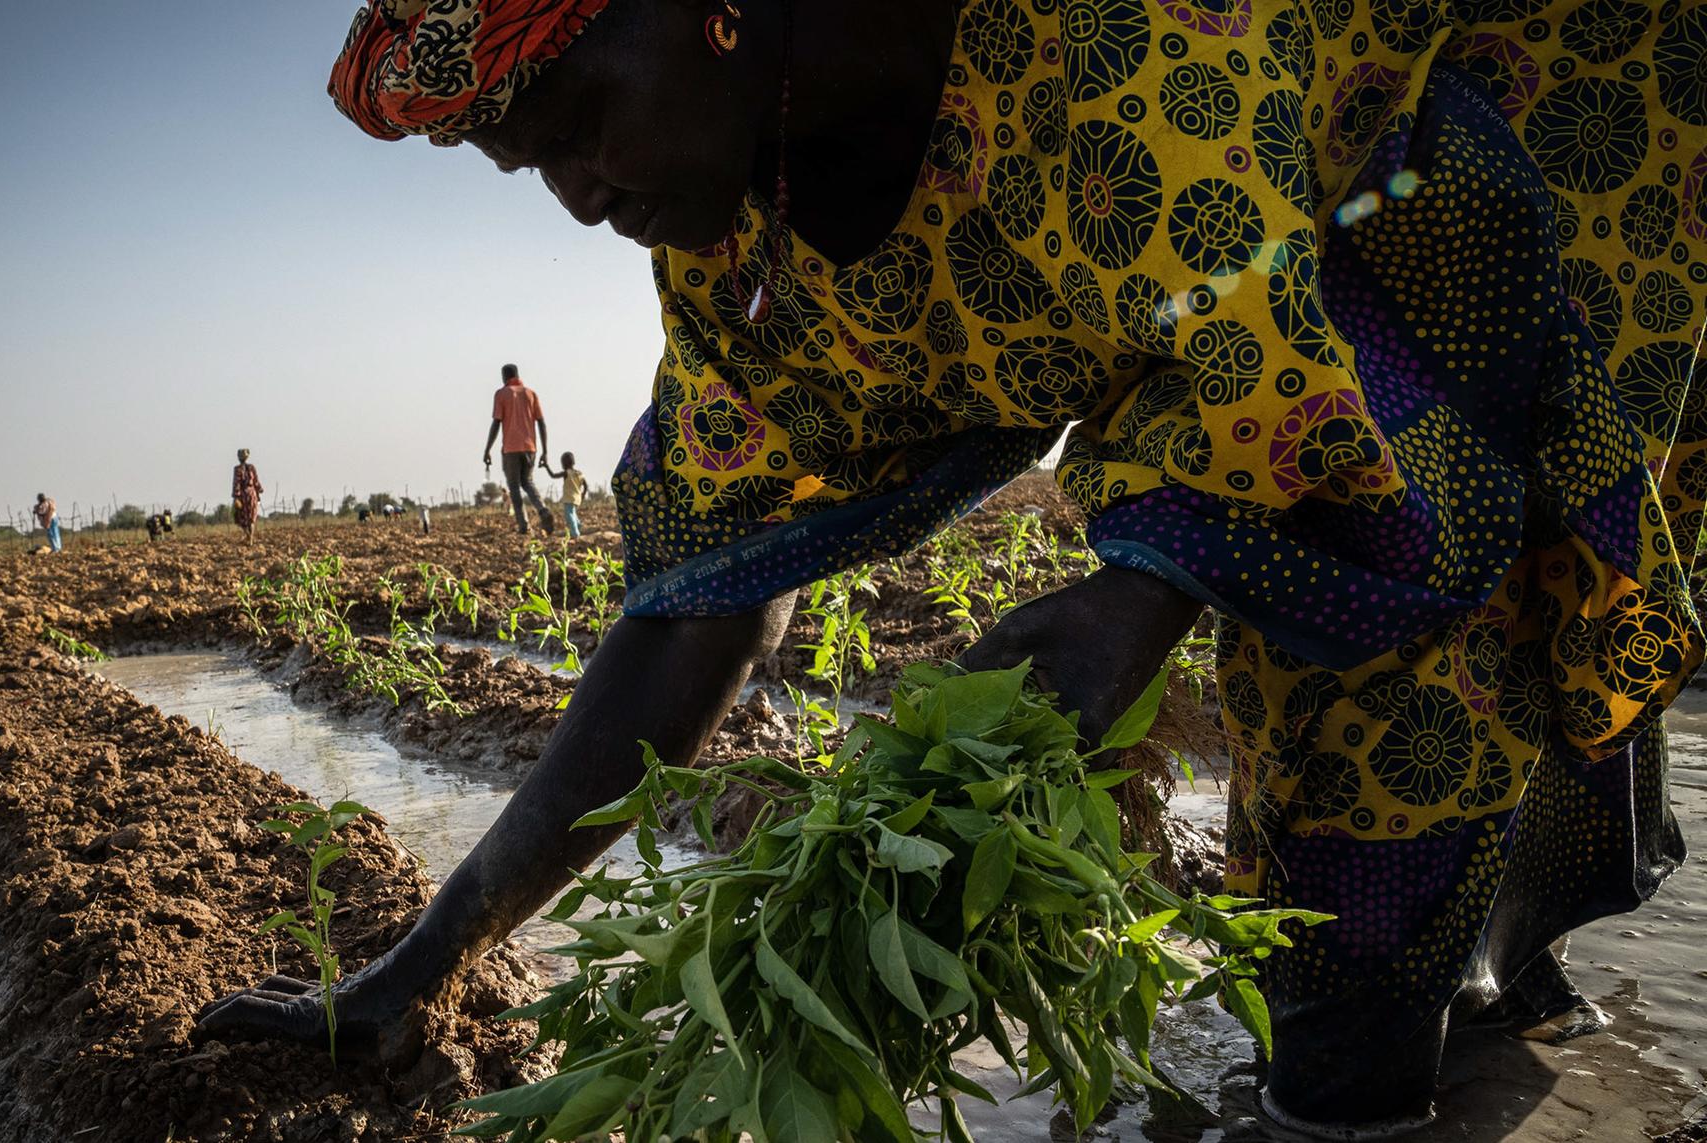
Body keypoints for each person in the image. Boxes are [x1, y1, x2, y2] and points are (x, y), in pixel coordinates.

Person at [204, 1, 1705, 1133]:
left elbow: (1267, 356)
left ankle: (1481, 1012)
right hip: (1255, 311)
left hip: (1442, 186)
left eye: (581, 114)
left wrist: (1123, 603)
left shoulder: (1112, 43)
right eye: (536, 167)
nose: (582, 195)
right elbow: (694, 601)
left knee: (1404, 762)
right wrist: (429, 954)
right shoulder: (738, 246)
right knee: (1340, 937)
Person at [482, 363, 555, 536]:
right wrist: (544, 451)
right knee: (527, 482)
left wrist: (487, 449)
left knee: (514, 487)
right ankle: (543, 509)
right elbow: (542, 423)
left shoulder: (501, 394)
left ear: (504, 377)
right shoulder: (531, 394)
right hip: (530, 447)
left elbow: (496, 423)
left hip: (510, 448)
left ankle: (524, 525)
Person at [543, 451, 587, 539]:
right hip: (577, 498)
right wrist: (583, 495)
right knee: (573, 513)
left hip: (569, 498)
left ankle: (575, 533)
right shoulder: (579, 474)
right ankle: (578, 526)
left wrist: (546, 466)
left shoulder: (566, 473)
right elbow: (586, 486)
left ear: (564, 464)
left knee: (569, 516)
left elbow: (553, 475)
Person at [231, 449, 264, 544]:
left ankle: (249, 536)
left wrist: (236, 496)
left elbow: (236, 483)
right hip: (252, 494)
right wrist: (259, 490)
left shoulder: (237, 469)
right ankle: (251, 539)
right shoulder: (252, 467)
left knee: (240, 517)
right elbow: (256, 481)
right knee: (251, 518)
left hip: (243, 496)